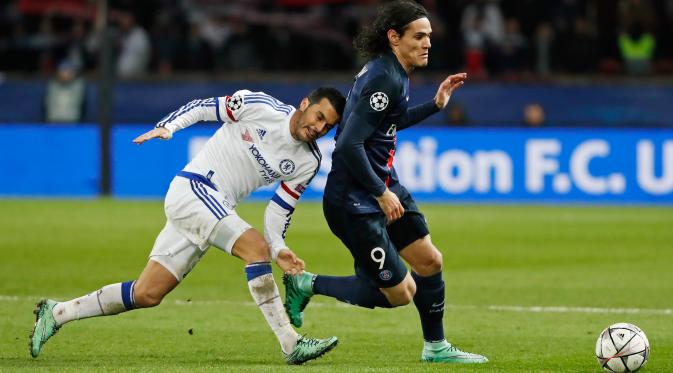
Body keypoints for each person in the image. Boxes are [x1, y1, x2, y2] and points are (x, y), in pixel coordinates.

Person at [30, 87, 346, 365]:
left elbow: (279, 211)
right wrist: (169, 126)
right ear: (305, 103)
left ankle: (57, 313)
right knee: (255, 249)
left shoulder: (309, 162)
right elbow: (202, 107)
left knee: (148, 293)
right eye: (318, 116)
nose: (318, 127)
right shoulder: (260, 106)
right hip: (195, 189)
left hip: (214, 208)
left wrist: (280, 248)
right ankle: (291, 344)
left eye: (327, 126)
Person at [283, 0, 488, 364]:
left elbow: (385, 124)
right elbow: (347, 143)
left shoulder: (394, 73)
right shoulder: (383, 77)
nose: (427, 43)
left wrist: (435, 106)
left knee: (429, 262)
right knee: (400, 294)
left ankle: (436, 348)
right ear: (394, 37)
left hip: (381, 185)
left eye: (429, 36)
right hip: (355, 201)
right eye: (419, 36)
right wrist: (380, 193)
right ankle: (306, 284)